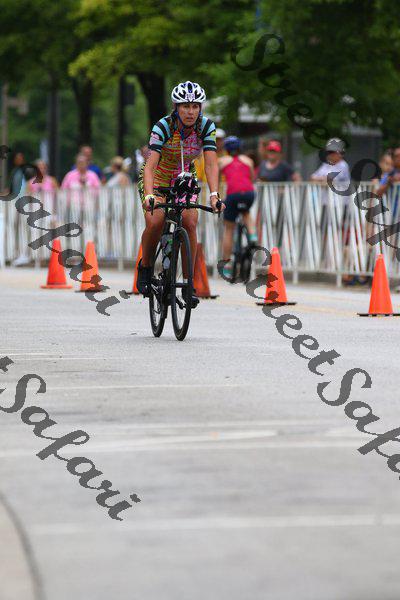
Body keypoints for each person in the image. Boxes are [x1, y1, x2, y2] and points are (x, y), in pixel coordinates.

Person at [137, 81, 221, 305]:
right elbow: (150, 166)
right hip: (157, 177)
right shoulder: (163, 126)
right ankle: (145, 267)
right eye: (185, 106)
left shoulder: (206, 127)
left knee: (190, 221)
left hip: (184, 177)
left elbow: (211, 164)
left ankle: (188, 283)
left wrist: (214, 194)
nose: (191, 112)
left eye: (195, 106)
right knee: (155, 221)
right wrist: (149, 195)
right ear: (176, 107)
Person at [218, 136, 257, 278]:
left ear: (226, 149)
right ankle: (252, 236)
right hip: (248, 193)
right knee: (246, 213)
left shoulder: (222, 161)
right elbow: (252, 178)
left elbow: (217, 180)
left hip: (232, 194)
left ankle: (227, 264)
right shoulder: (248, 160)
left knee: (229, 228)